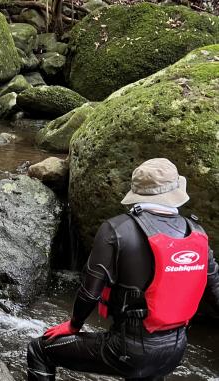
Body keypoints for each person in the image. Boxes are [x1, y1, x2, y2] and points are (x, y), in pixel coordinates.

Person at [27, 158, 219, 381]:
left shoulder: (116, 229)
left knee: (40, 349)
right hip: (175, 351)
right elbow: (216, 291)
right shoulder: (197, 233)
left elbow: (90, 293)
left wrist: (73, 325)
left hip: (128, 351)